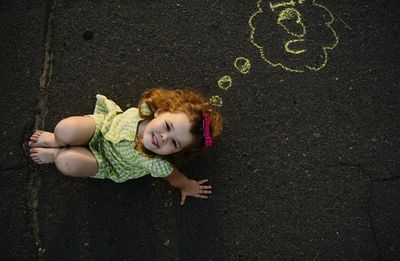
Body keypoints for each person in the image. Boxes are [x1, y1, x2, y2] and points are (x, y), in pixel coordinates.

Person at [29, 87, 222, 205]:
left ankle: (57, 153)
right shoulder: (146, 109)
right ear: (160, 112)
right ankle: (58, 141)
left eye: (174, 142)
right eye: (168, 126)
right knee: (64, 129)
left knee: (66, 162)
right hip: (102, 127)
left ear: (178, 152)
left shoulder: (155, 162)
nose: (163, 137)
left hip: (107, 162)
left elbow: (175, 177)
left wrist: (187, 186)